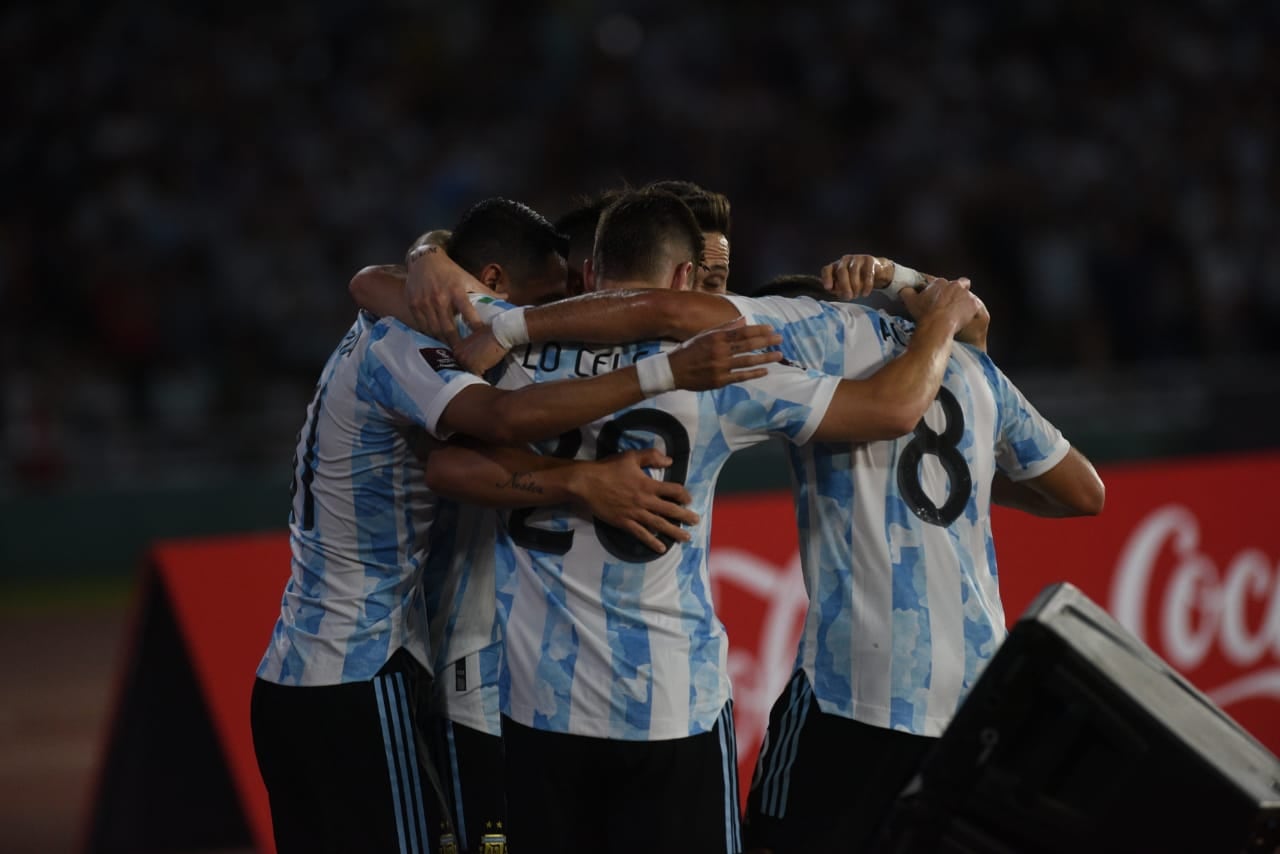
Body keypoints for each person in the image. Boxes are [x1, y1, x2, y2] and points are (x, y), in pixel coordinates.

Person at [414, 188, 983, 854]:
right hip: (670, 705)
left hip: (539, 702)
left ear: (590, 274)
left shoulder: (509, 358)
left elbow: (440, 450)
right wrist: (940, 323)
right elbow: (891, 410)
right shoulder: (720, 367)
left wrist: (426, 253)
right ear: (685, 279)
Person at [250, 229, 782, 854]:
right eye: (544, 302)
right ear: (492, 288)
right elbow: (490, 428)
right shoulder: (405, 345)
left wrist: (425, 253)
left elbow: (370, 281)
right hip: (358, 668)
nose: (547, 325)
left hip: (308, 662)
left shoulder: (382, 325)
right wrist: (621, 428)